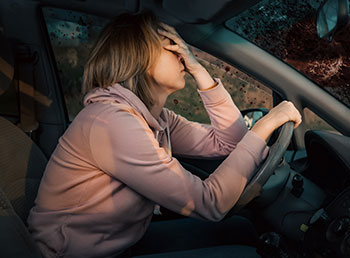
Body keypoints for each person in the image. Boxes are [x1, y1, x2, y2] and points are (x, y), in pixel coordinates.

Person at [27, 12, 302, 258]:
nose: (185, 55)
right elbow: (209, 203)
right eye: (173, 48)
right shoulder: (110, 122)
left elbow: (230, 142)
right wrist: (265, 125)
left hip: (119, 244)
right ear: (141, 57)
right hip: (74, 254)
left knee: (239, 229)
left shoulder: (154, 118)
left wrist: (200, 72)